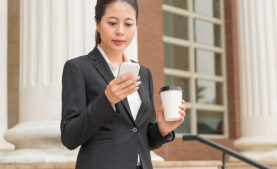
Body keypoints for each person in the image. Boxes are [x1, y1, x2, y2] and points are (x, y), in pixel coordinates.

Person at [60, 0, 186, 169]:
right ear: (97, 23)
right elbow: (69, 137)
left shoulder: (144, 73)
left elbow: (141, 138)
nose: (120, 31)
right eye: (112, 23)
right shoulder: (78, 68)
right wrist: (107, 101)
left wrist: (162, 129)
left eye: (128, 24)